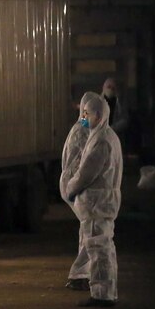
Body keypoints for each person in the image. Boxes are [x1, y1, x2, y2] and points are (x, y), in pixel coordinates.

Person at [66, 91, 123, 307]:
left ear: (98, 115)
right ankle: (105, 292)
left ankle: (101, 295)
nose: (85, 118)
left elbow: (86, 173)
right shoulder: (109, 137)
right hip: (102, 203)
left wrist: (71, 188)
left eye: (87, 114)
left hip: (96, 204)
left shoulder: (101, 141)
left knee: (98, 249)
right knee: (103, 247)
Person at [59, 100, 91, 291]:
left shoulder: (81, 129)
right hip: (74, 185)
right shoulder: (83, 131)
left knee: (87, 229)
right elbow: (80, 164)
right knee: (92, 230)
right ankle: (79, 275)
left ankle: (82, 274)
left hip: (72, 184)